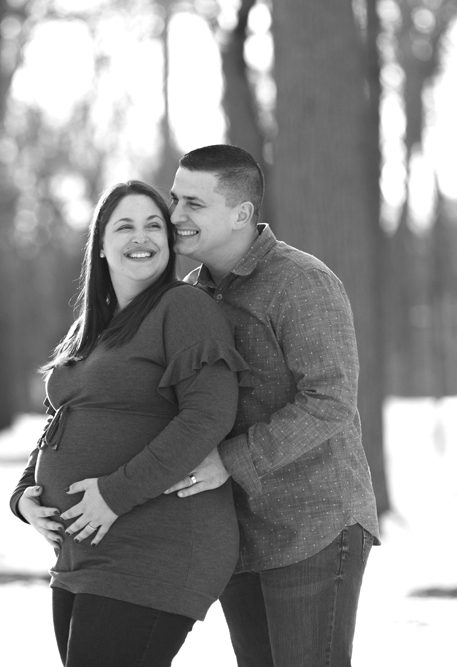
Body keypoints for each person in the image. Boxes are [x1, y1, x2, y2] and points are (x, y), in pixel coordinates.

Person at [9, 180, 249, 667]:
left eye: (153, 225)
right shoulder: (92, 328)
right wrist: (23, 496)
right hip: (83, 553)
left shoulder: (182, 308)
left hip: (156, 544)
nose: (141, 238)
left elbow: (209, 415)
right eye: (125, 226)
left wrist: (114, 494)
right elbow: (61, 419)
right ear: (100, 244)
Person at [164, 144, 380, 667]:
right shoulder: (193, 296)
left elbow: (329, 400)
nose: (175, 217)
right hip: (239, 533)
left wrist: (229, 462)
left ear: (241, 213)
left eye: (194, 204)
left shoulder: (300, 282)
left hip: (315, 527)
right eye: (174, 200)